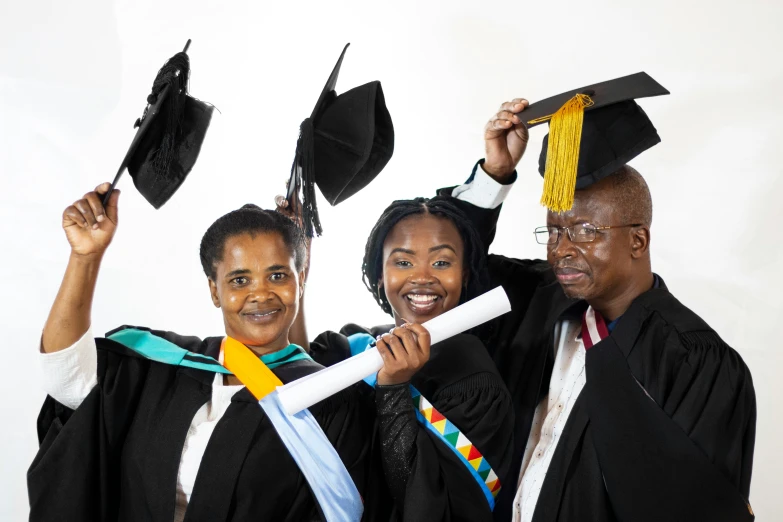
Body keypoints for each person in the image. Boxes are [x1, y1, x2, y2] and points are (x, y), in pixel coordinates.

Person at [441, 84, 756, 522]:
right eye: (553, 231)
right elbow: (447, 270)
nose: (562, 249)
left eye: (586, 230)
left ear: (638, 240)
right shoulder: (535, 304)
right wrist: (494, 174)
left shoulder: (694, 361)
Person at [28, 184, 367, 522]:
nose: (260, 294)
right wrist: (85, 258)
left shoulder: (327, 400)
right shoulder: (162, 367)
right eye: (239, 280)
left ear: (301, 280)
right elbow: (67, 380)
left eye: (277, 276)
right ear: (214, 290)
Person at [282, 195, 515, 521]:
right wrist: (295, 265)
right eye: (403, 262)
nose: (422, 277)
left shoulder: (473, 380)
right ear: (379, 274)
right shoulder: (360, 345)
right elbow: (297, 377)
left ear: (465, 274)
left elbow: (430, 506)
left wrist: (393, 388)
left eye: (442, 262)